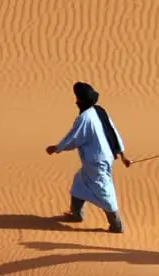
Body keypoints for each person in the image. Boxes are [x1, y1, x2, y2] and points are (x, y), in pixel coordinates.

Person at [46, 81, 131, 232]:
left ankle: (117, 225)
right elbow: (113, 132)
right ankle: (76, 214)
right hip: (103, 158)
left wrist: (57, 148)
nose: (76, 101)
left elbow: (73, 138)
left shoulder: (84, 118)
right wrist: (122, 155)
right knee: (79, 183)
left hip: (96, 162)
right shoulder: (99, 110)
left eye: (77, 98)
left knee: (104, 191)